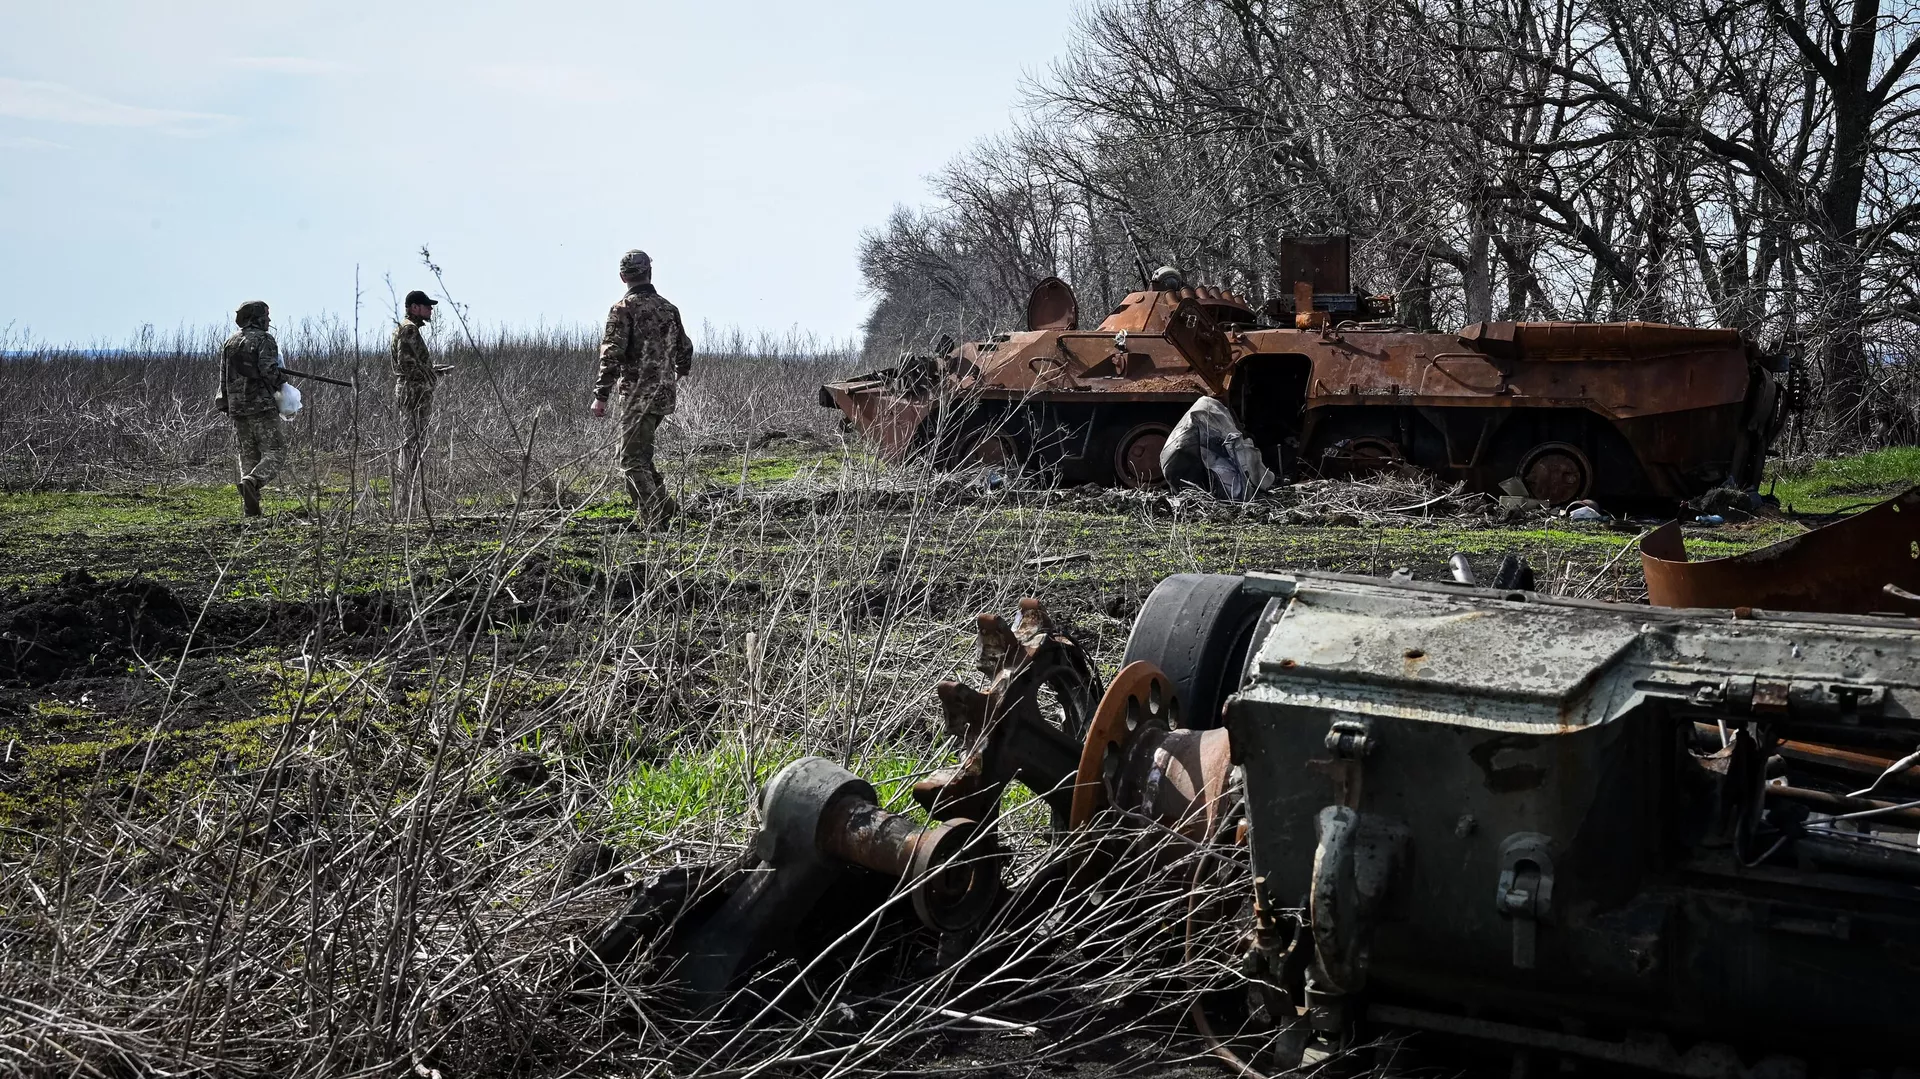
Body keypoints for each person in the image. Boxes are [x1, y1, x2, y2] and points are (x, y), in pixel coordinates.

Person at [591, 249, 693, 522]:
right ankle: (668, 508)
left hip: (637, 396)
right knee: (637, 455)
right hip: (663, 396)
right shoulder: (668, 308)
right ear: (649, 272)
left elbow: (611, 353)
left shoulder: (623, 309)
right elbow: (685, 349)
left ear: (623, 276)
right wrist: (677, 373)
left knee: (630, 461)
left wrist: (601, 395)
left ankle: (655, 515)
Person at [214, 300, 286, 517]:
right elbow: (269, 371)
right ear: (257, 317)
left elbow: (223, 376)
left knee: (248, 455)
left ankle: (250, 508)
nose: (269, 320)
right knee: (276, 451)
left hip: (237, 408)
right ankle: (253, 482)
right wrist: (282, 379)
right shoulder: (265, 339)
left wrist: (225, 401)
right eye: (266, 315)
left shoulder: (230, 342)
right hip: (261, 405)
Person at [391, 289, 441, 512]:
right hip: (414, 393)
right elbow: (407, 365)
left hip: (414, 391)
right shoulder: (409, 330)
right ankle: (406, 501)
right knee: (412, 444)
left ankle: (409, 498)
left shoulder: (409, 329)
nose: (430, 309)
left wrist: (432, 370)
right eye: (426, 305)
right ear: (414, 308)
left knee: (413, 443)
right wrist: (429, 374)